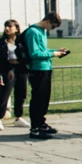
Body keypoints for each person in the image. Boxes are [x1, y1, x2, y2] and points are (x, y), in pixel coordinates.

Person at [25, 11, 70, 139]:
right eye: (53, 26)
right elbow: (34, 53)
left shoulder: (42, 32)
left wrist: (56, 52)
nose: (53, 29)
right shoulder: (33, 32)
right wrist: (53, 54)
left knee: (44, 98)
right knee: (38, 99)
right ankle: (35, 128)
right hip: (37, 69)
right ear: (48, 21)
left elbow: (43, 51)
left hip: (45, 68)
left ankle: (41, 123)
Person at [0, 19, 23, 130]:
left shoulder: (21, 41)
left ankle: (19, 117)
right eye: (6, 26)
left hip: (20, 68)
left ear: (16, 28)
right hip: (7, 69)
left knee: (21, 93)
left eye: (10, 26)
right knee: (5, 94)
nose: (7, 28)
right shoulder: (1, 42)